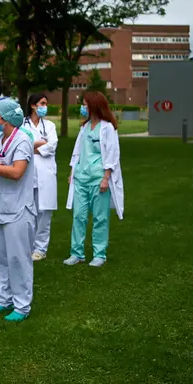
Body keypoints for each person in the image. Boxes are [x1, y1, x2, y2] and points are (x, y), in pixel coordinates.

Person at [0, 98, 36, 322]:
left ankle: (22, 305)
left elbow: (17, 172)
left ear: (6, 118)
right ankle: (2, 299)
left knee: (18, 258)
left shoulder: (22, 140)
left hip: (18, 207)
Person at [64, 91, 124, 268]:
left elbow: (113, 154)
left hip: (98, 180)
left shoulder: (107, 128)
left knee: (100, 218)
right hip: (81, 178)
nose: (83, 107)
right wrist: (72, 172)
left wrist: (106, 178)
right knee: (78, 216)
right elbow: (77, 152)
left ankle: (99, 254)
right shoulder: (84, 128)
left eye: (85, 104)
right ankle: (77, 253)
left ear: (94, 106)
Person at [23, 93, 58, 261]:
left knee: (44, 213)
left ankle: (40, 248)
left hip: (46, 173)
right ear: (32, 105)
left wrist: (31, 147)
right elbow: (20, 145)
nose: (44, 106)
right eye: (42, 103)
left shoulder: (49, 125)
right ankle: (27, 246)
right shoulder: (22, 124)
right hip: (27, 173)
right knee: (28, 211)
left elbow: (52, 146)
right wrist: (36, 146)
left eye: (46, 103)